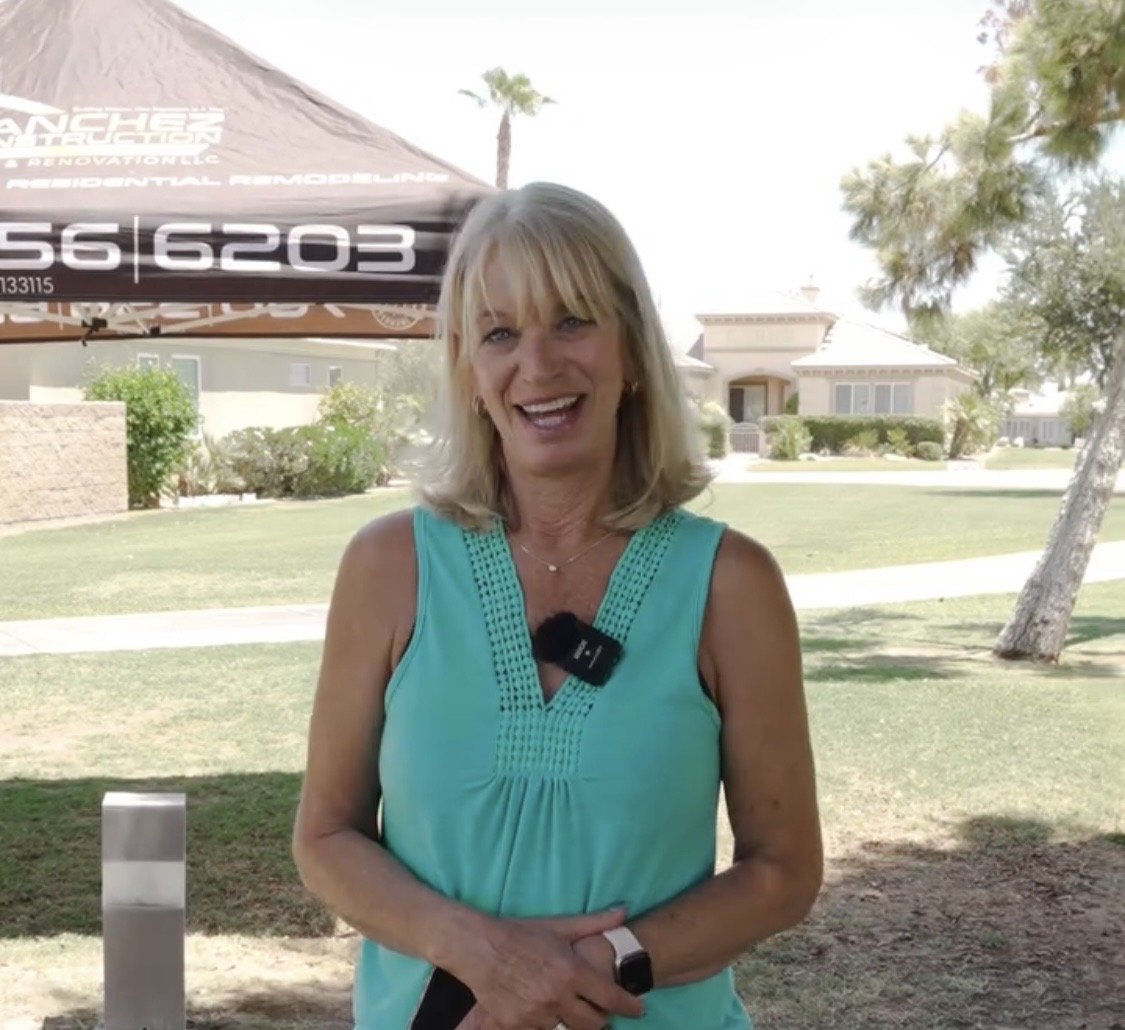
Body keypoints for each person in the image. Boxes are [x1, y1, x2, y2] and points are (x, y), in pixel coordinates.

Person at [292, 181, 823, 1030]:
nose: (537, 367)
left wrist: (595, 966)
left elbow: (783, 869)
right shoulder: (387, 568)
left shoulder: (730, 585)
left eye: (572, 321)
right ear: (468, 367)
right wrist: (484, 955)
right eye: (500, 333)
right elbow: (324, 837)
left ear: (632, 352)